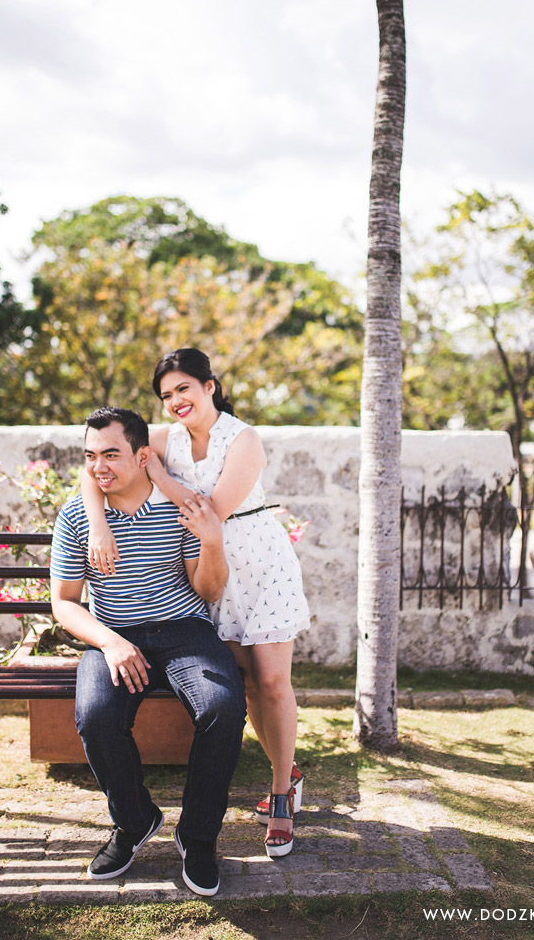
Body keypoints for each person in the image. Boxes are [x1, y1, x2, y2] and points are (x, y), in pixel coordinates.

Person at [82, 349, 310, 858]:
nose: (175, 401)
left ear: (210, 385)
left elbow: (210, 511)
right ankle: (288, 768)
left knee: (273, 680)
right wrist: (97, 523)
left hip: (258, 565)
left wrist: (159, 477)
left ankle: (280, 795)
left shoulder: (243, 439)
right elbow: (94, 467)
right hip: (208, 570)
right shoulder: (166, 439)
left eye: (183, 388)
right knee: (245, 681)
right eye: (166, 395)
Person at [50, 406, 246, 897]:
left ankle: (198, 836)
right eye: (91, 456)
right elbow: (64, 603)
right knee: (96, 716)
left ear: (143, 457)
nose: (99, 467)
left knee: (223, 708)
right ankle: (135, 821)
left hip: (184, 630)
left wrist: (212, 545)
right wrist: (110, 641)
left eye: (111, 455)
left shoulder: (177, 508)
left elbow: (208, 590)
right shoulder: (77, 517)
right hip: (114, 634)